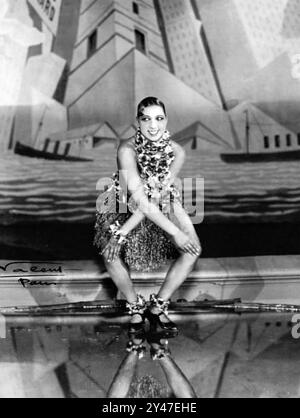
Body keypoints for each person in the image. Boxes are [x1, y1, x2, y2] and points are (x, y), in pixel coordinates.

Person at [94, 97, 201, 335]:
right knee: (110, 253)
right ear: (137, 123)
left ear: (166, 121)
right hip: (124, 201)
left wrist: (177, 232)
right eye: (146, 119)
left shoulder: (178, 152)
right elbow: (140, 200)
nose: (153, 126)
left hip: (161, 200)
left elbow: (157, 197)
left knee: (193, 249)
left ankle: (157, 307)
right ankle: (135, 306)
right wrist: (120, 233)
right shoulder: (126, 151)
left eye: (159, 118)